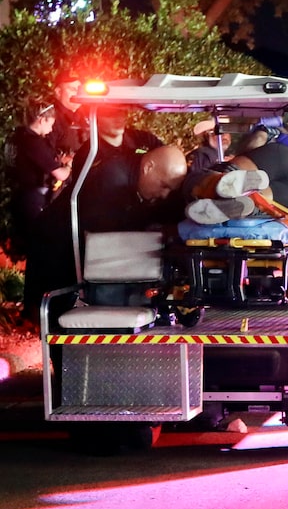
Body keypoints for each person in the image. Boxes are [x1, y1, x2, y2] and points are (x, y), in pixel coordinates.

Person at [22, 145, 188, 324]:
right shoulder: (111, 179)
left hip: (77, 250)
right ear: (148, 167)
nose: (165, 194)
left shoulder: (135, 176)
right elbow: (113, 236)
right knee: (61, 322)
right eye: (164, 186)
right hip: (56, 249)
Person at [183, 125, 288, 224]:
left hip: (283, 157)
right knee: (261, 199)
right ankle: (249, 203)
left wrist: (260, 130)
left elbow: (257, 140)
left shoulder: (273, 129)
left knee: (199, 180)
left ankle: (238, 190)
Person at [5, 99, 71, 253]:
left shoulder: (18, 137)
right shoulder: (33, 142)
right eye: (50, 124)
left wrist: (58, 161)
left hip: (22, 196)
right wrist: (69, 165)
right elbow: (61, 175)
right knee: (42, 245)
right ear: (42, 120)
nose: (50, 129)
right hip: (35, 199)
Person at [48, 70, 86, 159]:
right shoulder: (50, 118)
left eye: (79, 89)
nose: (77, 93)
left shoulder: (88, 115)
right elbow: (45, 156)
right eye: (72, 89)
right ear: (58, 92)